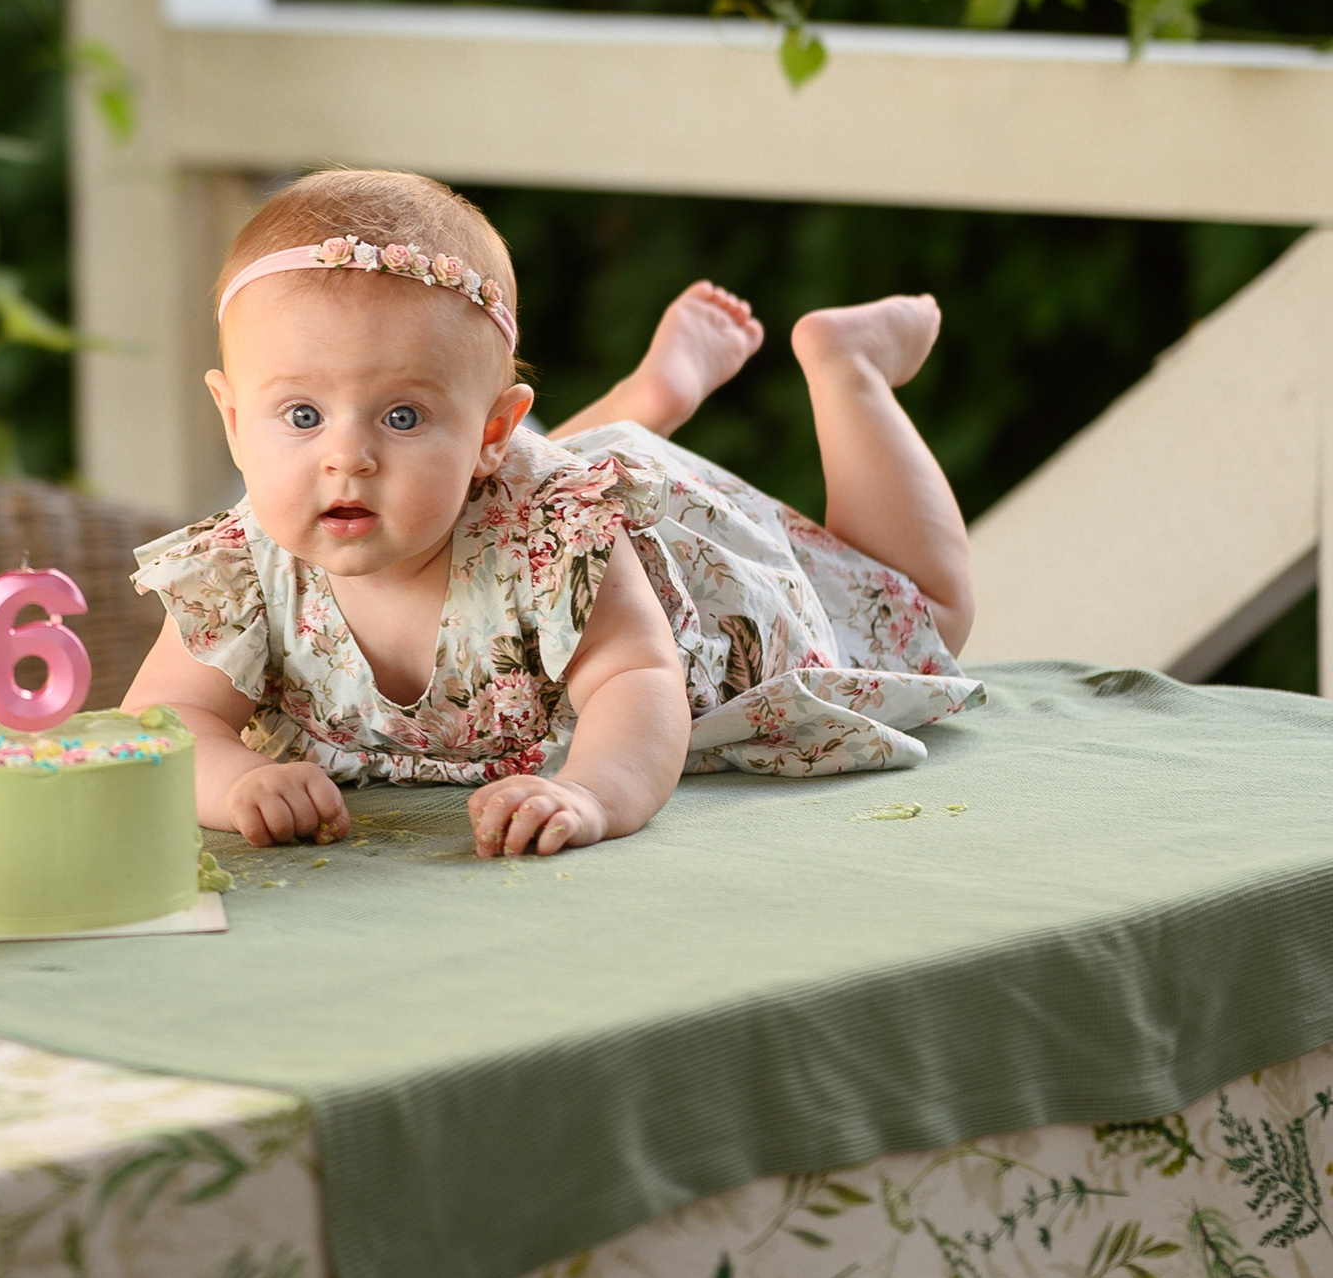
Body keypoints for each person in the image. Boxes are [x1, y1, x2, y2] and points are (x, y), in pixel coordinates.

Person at [125, 167, 979, 859]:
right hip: (495, 491)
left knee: (927, 611)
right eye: (303, 415)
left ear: (494, 430)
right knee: (463, 496)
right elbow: (164, 719)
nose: (346, 457)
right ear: (233, 421)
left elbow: (635, 679)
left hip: (675, 579)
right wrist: (236, 781)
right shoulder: (241, 569)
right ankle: (645, 399)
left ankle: (848, 368)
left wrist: (592, 792)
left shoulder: (559, 540)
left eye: (402, 415)